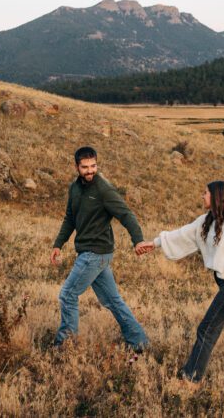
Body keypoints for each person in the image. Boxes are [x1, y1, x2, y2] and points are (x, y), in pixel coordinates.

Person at [137, 180, 224, 381]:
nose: (202, 196)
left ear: (216, 196)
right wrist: (154, 243)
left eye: (205, 193)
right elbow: (182, 234)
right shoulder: (207, 220)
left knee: (207, 329)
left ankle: (191, 378)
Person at [51, 146, 152, 350]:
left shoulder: (103, 189)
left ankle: (65, 345)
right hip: (92, 253)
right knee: (113, 301)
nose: (90, 171)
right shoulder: (75, 188)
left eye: (93, 166)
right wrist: (58, 244)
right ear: (77, 167)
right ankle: (139, 342)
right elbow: (70, 218)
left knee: (67, 295)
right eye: (85, 167)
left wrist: (138, 240)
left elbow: (126, 214)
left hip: (95, 253)